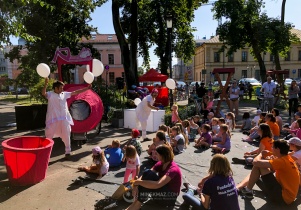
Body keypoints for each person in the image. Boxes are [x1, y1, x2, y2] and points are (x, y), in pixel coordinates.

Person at [237, 140, 300, 205]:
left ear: (277, 149)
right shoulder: (288, 158)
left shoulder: (282, 161)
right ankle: (247, 189)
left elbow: (255, 162)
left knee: (258, 166)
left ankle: (247, 190)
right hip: (287, 196)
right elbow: (272, 170)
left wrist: (261, 154)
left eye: (273, 147)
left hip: (283, 198)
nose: (271, 149)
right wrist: (269, 161)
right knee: (258, 172)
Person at [42, 78, 91, 158]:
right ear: (56, 88)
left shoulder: (64, 94)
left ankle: (67, 152)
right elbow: (43, 93)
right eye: (61, 88)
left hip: (64, 118)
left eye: (62, 87)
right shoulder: (50, 94)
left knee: (66, 134)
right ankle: (46, 153)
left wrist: (86, 88)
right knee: (49, 135)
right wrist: (46, 84)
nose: (62, 89)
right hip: (53, 119)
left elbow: (75, 92)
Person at [126, 145, 182, 210]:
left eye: (157, 154)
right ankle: (136, 202)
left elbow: (158, 184)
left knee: (148, 177)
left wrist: (137, 182)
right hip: (160, 194)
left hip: (169, 199)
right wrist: (135, 185)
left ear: (162, 155)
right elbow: (146, 174)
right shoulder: (161, 163)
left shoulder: (173, 169)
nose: (155, 156)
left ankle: (137, 204)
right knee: (147, 172)